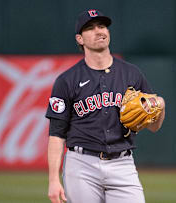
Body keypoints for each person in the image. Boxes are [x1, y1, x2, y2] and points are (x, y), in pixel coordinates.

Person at [45, 9, 165, 203]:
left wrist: (161, 108)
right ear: (80, 39)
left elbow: (153, 126)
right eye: (90, 28)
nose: (99, 31)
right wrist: (52, 179)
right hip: (81, 165)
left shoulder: (132, 74)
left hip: (123, 163)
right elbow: (57, 134)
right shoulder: (66, 80)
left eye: (102, 26)